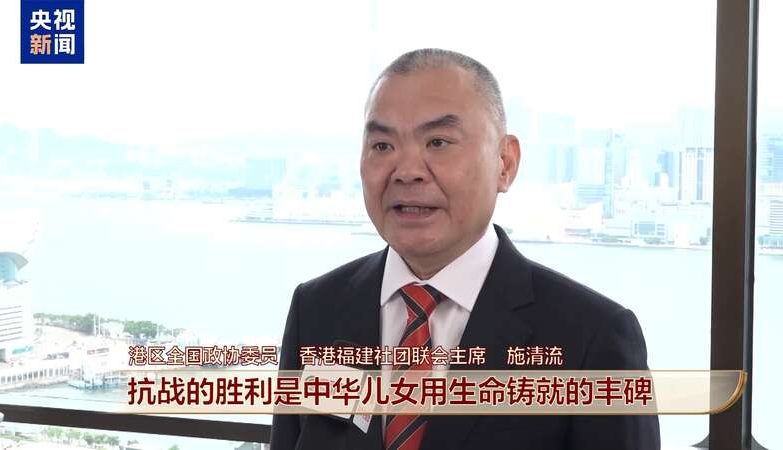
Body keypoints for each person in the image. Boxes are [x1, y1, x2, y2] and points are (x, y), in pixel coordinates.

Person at [270, 48, 661, 450]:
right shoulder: (317, 307)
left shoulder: (592, 337)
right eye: (383, 146)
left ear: (505, 163)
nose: (407, 172)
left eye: (438, 142)